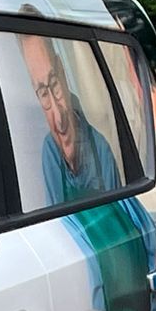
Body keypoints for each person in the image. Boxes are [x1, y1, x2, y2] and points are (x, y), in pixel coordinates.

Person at [18, 32, 123, 206]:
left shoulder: (100, 150)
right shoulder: (49, 152)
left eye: (55, 85)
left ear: (62, 72)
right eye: (43, 93)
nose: (59, 119)